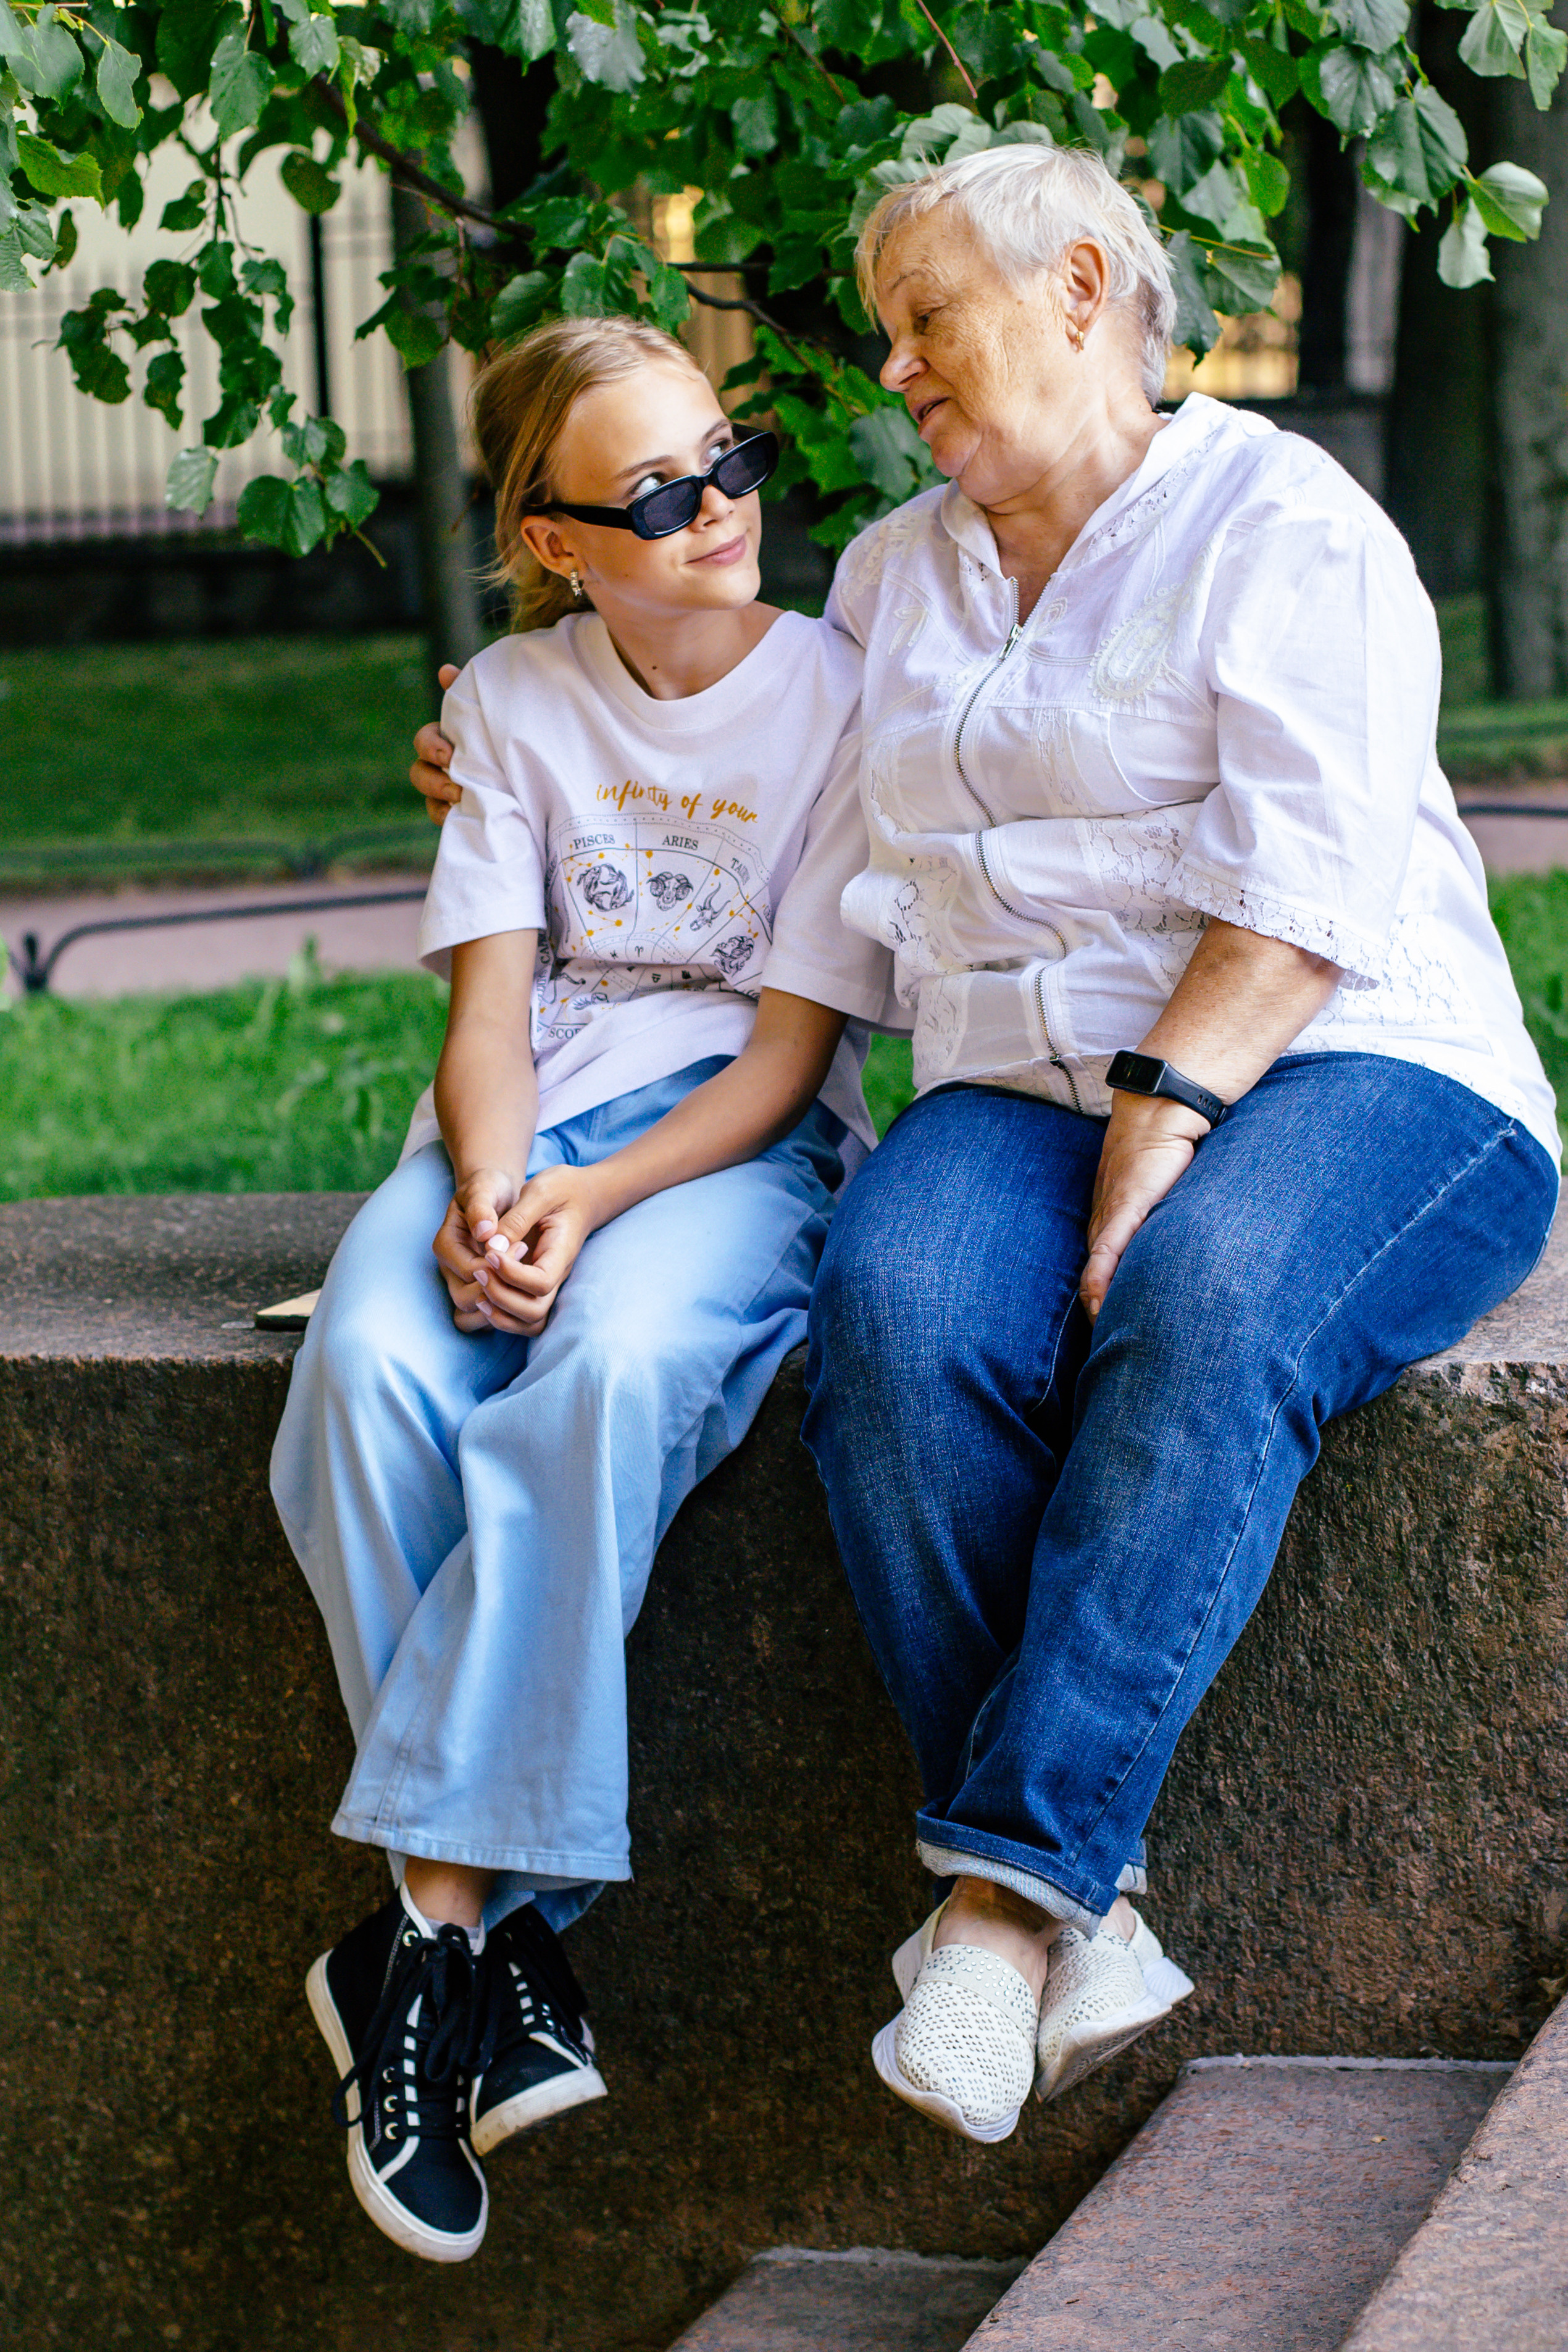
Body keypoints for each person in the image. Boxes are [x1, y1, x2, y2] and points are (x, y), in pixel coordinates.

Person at [409, 148, 1556, 2154]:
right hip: (1022, 1083)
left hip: (1356, 1063)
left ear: (1084, 285)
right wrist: (509, 738)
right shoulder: (889, 576)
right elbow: (741, 761)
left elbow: (1304, 886)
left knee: (1198, 1296)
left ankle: (1000, 1898)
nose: (894, 365)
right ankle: (1072, 1915)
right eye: (887, 329)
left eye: (927, 316)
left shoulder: (1287, 524)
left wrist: (1170, 1107)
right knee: (899, 1303)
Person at [271, 312, 895, 2262]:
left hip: (717, 1144)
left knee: (605, 1375)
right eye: (654, 492)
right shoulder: (516, 708)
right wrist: (484, 1184)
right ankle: (511, 1952)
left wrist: (589, 1201)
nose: (717, 509)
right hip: (523, 1119)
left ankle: (423, 1937)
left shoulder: (838, 698)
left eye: (727, 460)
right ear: (552, 541)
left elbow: (790, 1053)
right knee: (370, 1368)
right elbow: (487, 1008)